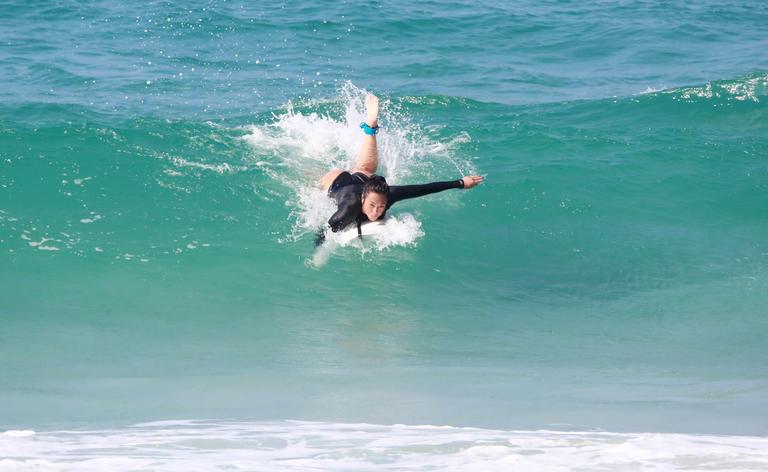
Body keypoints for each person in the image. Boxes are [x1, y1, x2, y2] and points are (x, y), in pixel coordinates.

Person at [316, 94, 483, 244]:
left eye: (381, 206)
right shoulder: (348, 209)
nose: (376, 212)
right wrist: (318, 259)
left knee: (365, 168)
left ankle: (371, 128)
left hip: (364, 179)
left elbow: (425, 188)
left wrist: (461, 183)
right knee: (313, 182)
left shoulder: (390, 195)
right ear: (362, 200)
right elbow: (323, 233)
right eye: (372, 205)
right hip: (338, 182)